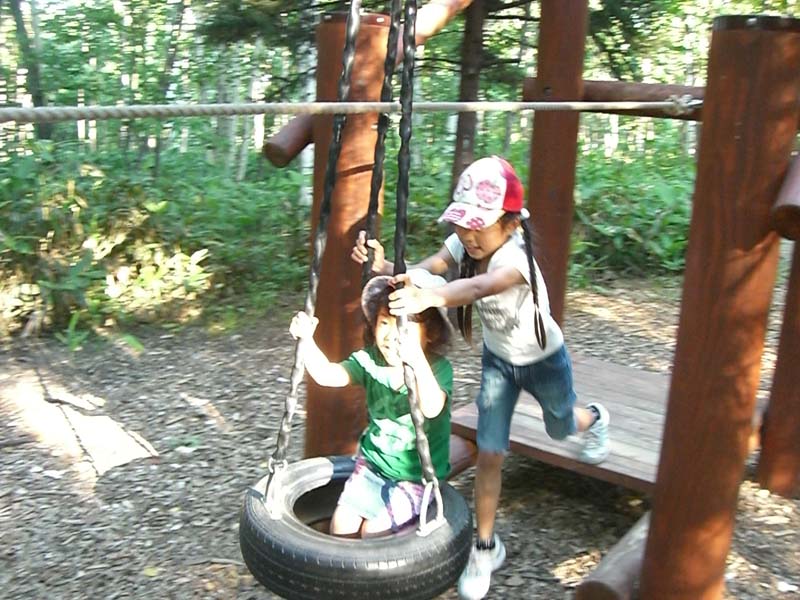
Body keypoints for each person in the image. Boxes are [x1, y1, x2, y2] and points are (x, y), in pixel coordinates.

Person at [351, 155, 610, 599]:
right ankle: (486, 547)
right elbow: (430, 268)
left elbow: (475, 288)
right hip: (499, 364)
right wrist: (388, 268)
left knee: (561, 425)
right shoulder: (464, 243)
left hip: (544, 360)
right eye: (462, 224)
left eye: (479, 226)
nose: (468, 235)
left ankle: (595, 418)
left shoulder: (516, 259)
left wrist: (428, 298)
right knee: (490, 452)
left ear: (510, 223)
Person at [289, 273, 454, 539]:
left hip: (415, 477)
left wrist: (416, 361)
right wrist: (306, 340)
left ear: (430, 333)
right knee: (341, 527)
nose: (391, 335)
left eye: (404, 326)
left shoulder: (437, 369)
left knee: (374, 533)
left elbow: (432, 407)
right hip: (373, 466)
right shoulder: (369, 361)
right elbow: (328, 375)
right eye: (384, 322)